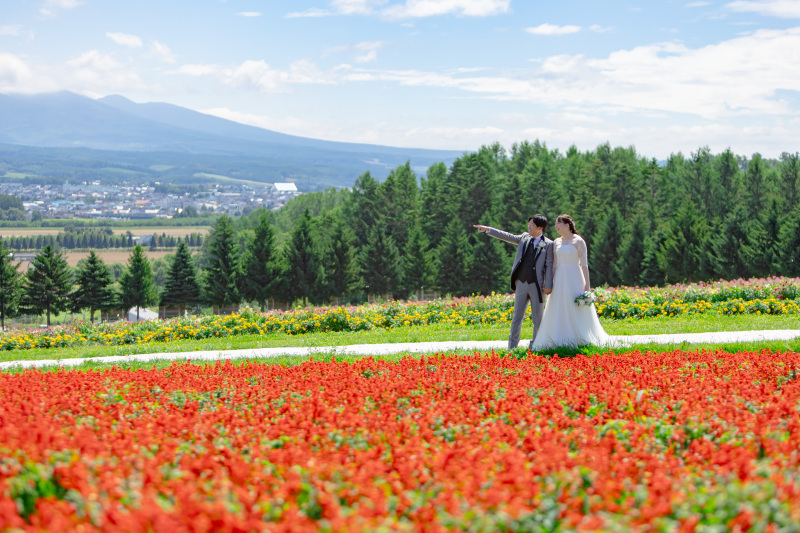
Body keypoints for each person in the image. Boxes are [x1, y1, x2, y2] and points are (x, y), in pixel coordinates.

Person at [530, 214, 610, 350]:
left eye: (558, 223)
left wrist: (587, 286)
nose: (556, 226)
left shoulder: (579, 241)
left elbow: (584, 265)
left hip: (574, 276)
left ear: (567, 225)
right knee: (559, 305)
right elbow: (554, 264)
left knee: (575, 306)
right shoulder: (556, 242)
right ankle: (558, 337)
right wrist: (550, 282)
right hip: (560, 277)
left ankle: (579, 337)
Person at [473, 215, 553, 350]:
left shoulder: (548, 244)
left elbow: (549, 265)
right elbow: (507, 236)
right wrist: (489, 229)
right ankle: (512, 347)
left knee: (538, 319)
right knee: (517, 317)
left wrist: (549, 285)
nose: (528, 227)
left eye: (531, 225)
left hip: (537, 286)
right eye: (528, 224)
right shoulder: (523, 238)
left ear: (540, 227)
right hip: (521, 283)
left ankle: (536, 346)